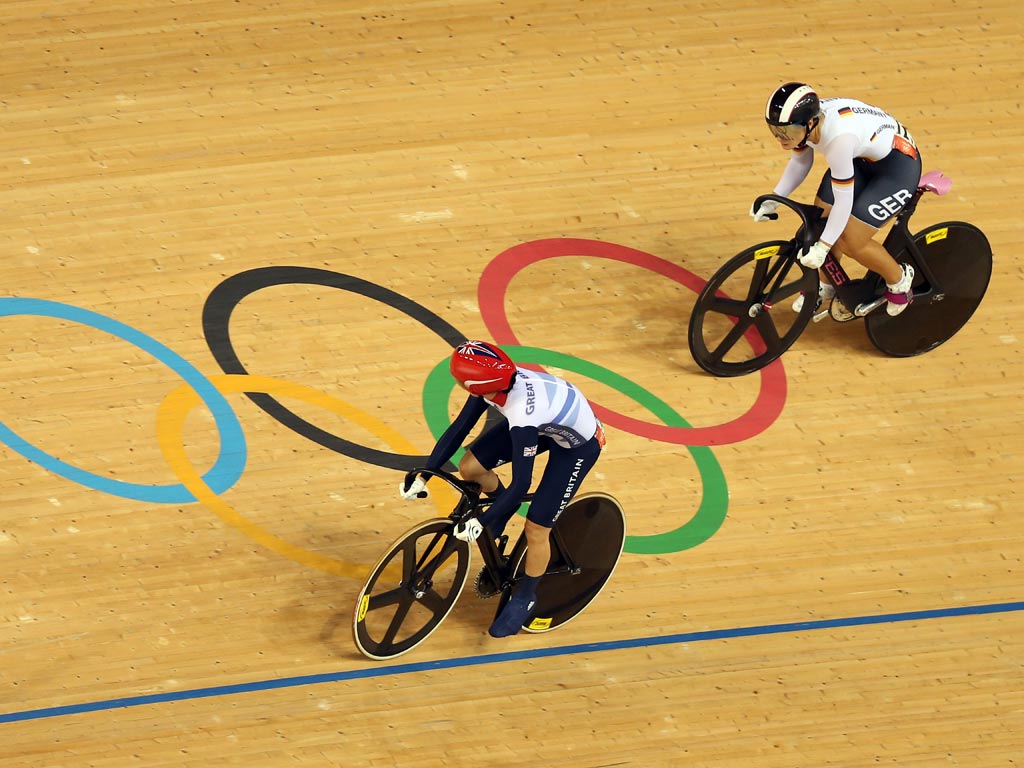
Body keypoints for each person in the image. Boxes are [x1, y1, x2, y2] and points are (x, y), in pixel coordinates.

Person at [399, 340, 605, 638]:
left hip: (577, 446)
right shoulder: (493, 384)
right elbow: (459, 429)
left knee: (537, 528)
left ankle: (526, 596)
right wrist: (424, 476)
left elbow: (522, 484)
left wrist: (481, 520)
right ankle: (501, 509)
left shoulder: (521, 414)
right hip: (547, 422)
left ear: (474, 384)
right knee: (470, 467)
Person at [752, 82, 923, 316]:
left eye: (787, 132)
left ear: (810, 123)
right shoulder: (804, 124)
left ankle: (900, 281)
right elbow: (800, 162)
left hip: (896, 169)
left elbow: (843, 203)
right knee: (820, 221)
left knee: (852, 241)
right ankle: (827, 284)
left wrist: (823, 247)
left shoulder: (838, 141)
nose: (781, 138)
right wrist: (774, 199)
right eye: (775, 131)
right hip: (861, 158)